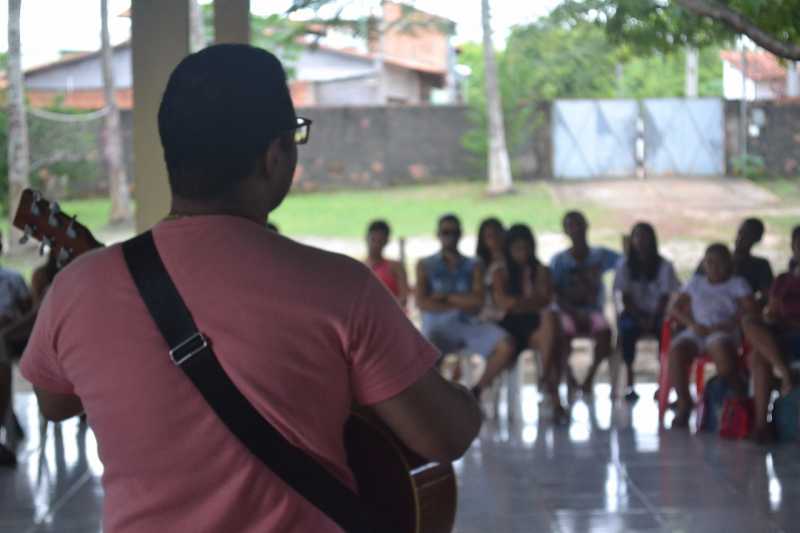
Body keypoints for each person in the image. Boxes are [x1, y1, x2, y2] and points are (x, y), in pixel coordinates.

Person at [19, 45, 482, 532]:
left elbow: (54, 401)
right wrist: (462, 398)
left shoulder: (76, 288)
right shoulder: (340, 287)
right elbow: (446, 436)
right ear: (274, 155)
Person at [417, 214, 515, 398]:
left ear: (460, 234)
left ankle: (475, 393)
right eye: (446, 232)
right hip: (437, 326)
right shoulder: (425, 264)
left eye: (454, 232)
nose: (450, 237)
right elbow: (422, 302)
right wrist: (461, 302)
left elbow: (478, 301)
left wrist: (444, 297)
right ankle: (437, 399)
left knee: (506, 345)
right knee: (425, 354)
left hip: (468, 324)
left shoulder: (474, 264)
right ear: (438, 234)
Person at [668, 243, 757, 428]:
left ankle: (737, 394)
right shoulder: (696, 282)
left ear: (728, 264)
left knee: (721, 354)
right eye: (709, 262)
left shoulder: (737, 283)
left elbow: (751, 309)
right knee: (676, 351)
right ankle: (684, 403)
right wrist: (692, 324)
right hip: (697, 330)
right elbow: (674, 309)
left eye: (719, 262)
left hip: (723, 331)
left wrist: (728, 323)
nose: (714, 267)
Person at [490, 224, 567, 421]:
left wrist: (518, 303)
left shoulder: (541, 270)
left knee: (551, 325)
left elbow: (545, 300)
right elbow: (503, 302)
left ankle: (547, 381)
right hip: (510, 326)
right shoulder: (500, 271)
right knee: (554, 337)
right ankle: (551, 392)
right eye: (517, 248)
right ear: (509, 249)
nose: (522, 253)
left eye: (526, 248)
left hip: (535, 324)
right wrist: (528, 302)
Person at [550, 211, 620, 395]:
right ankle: (570, 377)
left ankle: (589, 378)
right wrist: (572, 311)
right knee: (560, 337)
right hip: (567, 312)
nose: (576, 230)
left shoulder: (601, 255)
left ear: (586, 226)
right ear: (565, 231)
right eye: (570, 226)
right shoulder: (559, 261)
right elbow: (553, 294)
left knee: (606, 334)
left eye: (578, 224)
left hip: (593, 312)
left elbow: (626, 262)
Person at [743, 226, 800, 443]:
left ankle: (761, 425)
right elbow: (772, 311)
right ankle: (784, 372)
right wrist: (771, 316)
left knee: (759, 357)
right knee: (750, 323)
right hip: (783, 335)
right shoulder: (783, 280)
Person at [613, 222, 680, 402]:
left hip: (658, 314)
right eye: (637, 236)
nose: (641, 241)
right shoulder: (624, 265)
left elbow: (666, 297)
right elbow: (625, 297)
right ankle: (629, 385)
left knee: (666, 336)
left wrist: (653, 317)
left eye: (645, 236)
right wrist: (639, 318)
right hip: (634, 314)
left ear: (652, 240)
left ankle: (662, 386)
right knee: (626, 332)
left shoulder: (664, 265)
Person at [0, 232, 32, 467]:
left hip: (11, 338)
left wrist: (11, 323)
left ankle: (6, 416)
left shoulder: (12, 279)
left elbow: (31, 317)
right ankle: (7, 414)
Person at [697, 218, 773, 306]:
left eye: (748, 235)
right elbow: (695, 287)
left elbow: (767, 297)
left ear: (757, 239)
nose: (741, 237)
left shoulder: (760, 266)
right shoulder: (711, 260)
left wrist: (747, 308)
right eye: (740, 232)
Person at [365, 219, 409, 308]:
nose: (376, 245)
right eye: (373, 240)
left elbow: (403, 298)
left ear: (386, 242)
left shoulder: (396, 267)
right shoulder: (359, 267)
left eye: (380, 241)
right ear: (366, 238)